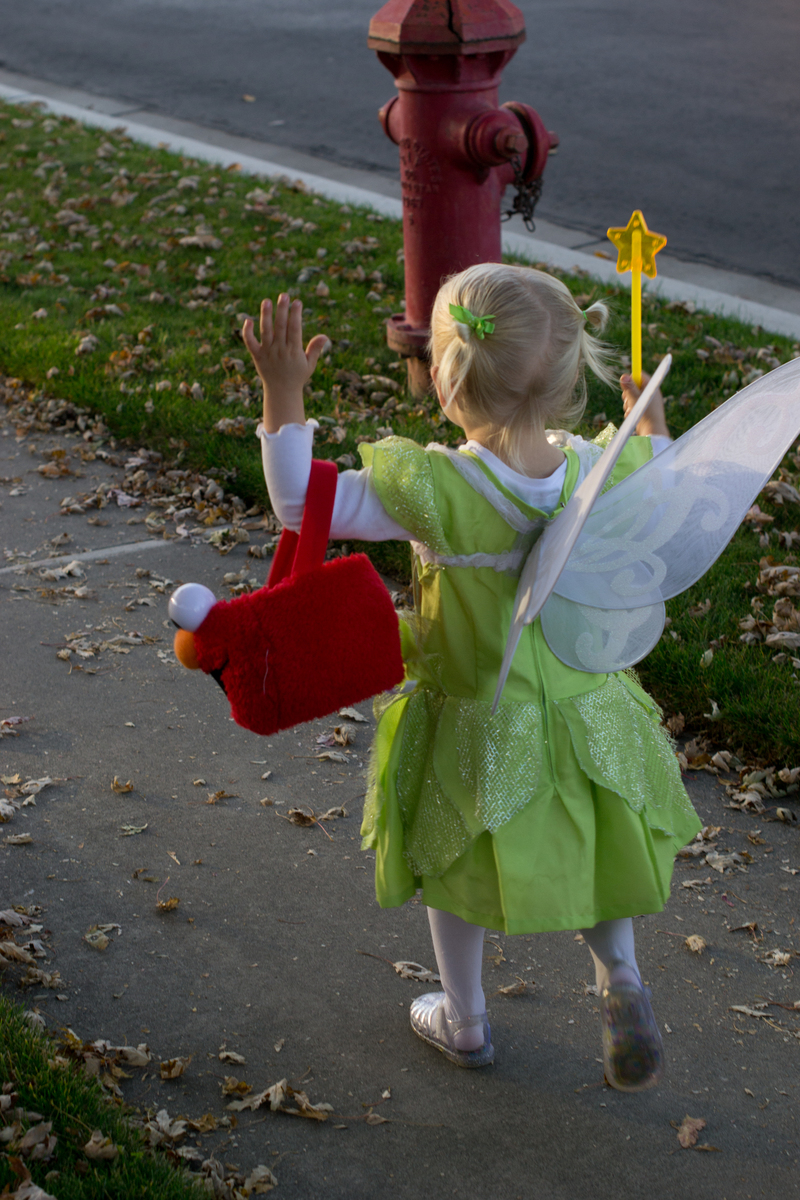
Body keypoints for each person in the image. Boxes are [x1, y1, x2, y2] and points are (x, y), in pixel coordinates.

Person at [242, 263, 702, 1093]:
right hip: (586, 710)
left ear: (448, 385)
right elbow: (663, 494)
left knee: (447, 861)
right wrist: (653, 429)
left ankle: (465, 1018)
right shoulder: (595, 469)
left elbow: (298, 510)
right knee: (596, 848)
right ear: (569, 385)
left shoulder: (438, 488)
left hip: (476, 719)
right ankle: (622, 980)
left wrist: (283, 395)